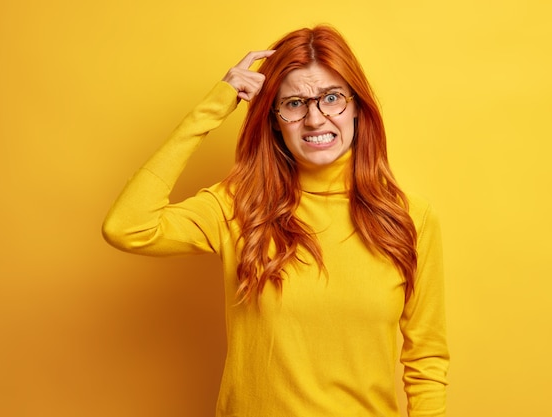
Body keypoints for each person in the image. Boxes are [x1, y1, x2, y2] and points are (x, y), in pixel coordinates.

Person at [103, 25, 449, 417]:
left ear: (356, 107)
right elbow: (127, 226)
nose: (315, 119)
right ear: (273, 120)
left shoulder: (410, 218)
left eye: (331, 98)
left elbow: (426, 361)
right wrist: (213, 107)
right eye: (295, 103)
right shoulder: (237, 207)